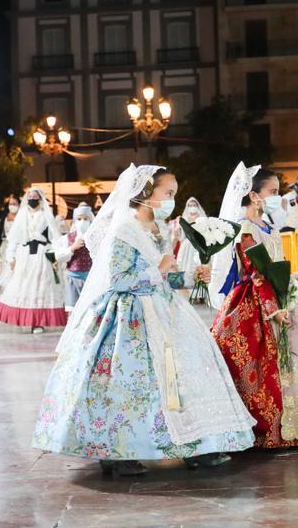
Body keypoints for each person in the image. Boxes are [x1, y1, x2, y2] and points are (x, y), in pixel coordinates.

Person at [33, 164, 254, 475]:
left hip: (164, 309)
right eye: (168, 193)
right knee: (129, 384)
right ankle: (118, 452)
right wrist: (160, 271)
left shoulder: (157, 229)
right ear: (147, 194)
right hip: (129, 316)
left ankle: (197, 445)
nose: (171, 200)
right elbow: (119, 278)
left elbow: (163, 276)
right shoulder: (124, 229)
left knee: (188, 374)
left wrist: (190, 276)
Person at [209, 164, 298, 447]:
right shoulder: (244, 227)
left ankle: (297, 422)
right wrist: (274, 304)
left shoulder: (264, 224)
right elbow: (254, 270)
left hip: (279, 292)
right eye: (271, 192)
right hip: (256, 299)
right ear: (253, 194)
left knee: (297, 361)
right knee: (263, 362)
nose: (276, 196)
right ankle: (267, 427)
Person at [0, 189, 66, 332]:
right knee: (24, 286)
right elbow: (14, 238)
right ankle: (26, 319)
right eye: (30, 197)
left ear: (40, 199)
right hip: (24, 254)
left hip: (42, 254)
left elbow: (55, 237)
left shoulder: (46, 215)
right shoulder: (22, 215)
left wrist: (56, 255)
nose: (32, 199)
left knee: (41, 286)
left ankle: (38, 322)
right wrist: (11, 256)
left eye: (35, 197)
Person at [53, 203, 94, 311]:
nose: (82, 222)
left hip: (91, 279)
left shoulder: (95, 238)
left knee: (90, 309)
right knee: (72, 309)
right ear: (75, 221)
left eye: (86, 219)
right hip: (72, 278)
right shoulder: (67, 238)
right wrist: (72, 248)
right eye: (79, 219)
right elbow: (59, 256)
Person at [174, 197, 208, 291]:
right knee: (185, 267)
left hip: (198, 245)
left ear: (197, 206)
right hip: (186, 246)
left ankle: (199, 292)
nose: (192, 207)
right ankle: (186, 291)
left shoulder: (202, 218)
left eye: (194, 205)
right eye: (190, 205)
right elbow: (180, 236)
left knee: (197, 266)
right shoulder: (184, 218)